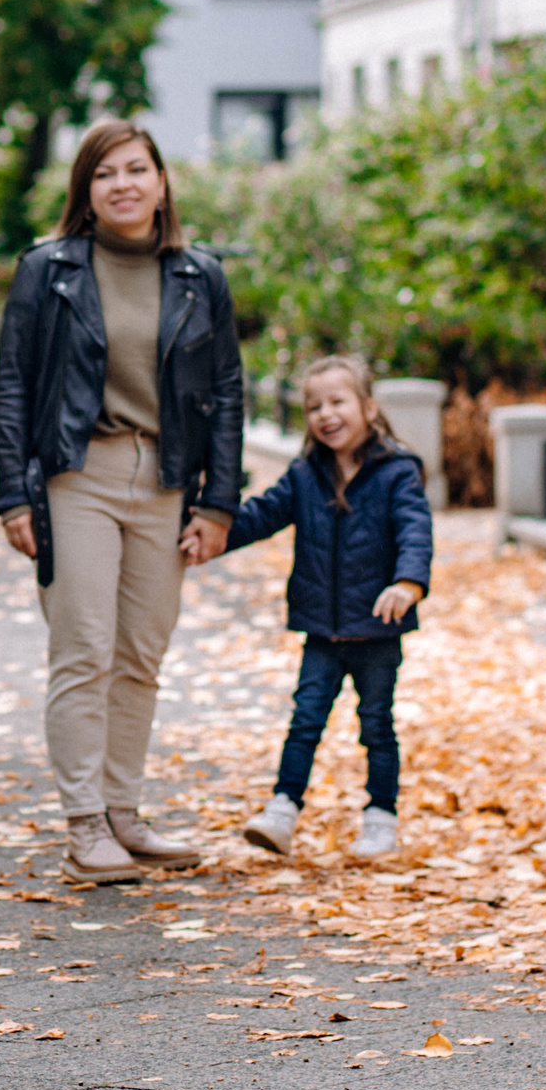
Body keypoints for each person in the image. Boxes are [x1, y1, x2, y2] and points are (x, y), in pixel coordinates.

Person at [0, 120, 243, 883]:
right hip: (78, 475)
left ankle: (123, 811)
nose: (124, 183)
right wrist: (12, 495)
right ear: (86, 191)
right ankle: (84, 821)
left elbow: (228, 391)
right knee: (85, 648)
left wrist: (220, 503)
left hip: (165, 481)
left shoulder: (202, 275)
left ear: (162, 182)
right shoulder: (50, 269)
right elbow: (13, 385)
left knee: (140, 654)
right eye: (106, 173)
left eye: (138, 169)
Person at [224, 354, 434, 862]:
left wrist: (409, 583)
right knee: (305, 720)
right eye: (314, 405)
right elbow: (260, 516)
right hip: (322, 629)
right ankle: (281, 811)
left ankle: (381, 820)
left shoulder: (396, 471)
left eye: (337, 401)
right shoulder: (304, 474)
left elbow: (415, 529)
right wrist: (210, 532)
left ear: (367, 406)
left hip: (378, 629)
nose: (325, 413)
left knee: (377, 726)